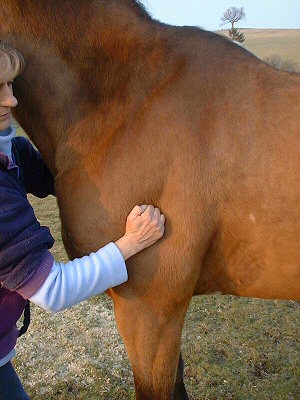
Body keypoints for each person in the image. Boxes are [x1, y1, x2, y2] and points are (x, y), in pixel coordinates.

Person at [0, 41, 165, 399]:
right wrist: (130, 243)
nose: (11, 100)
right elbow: (53, 290)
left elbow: (55, 175)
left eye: (10, 85)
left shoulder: (7, 150)